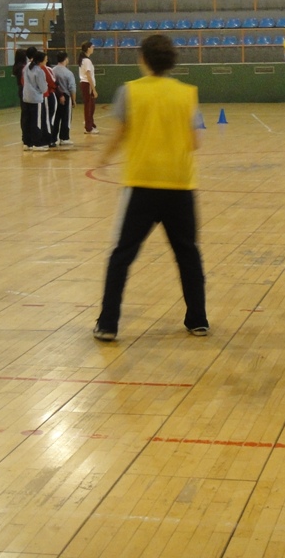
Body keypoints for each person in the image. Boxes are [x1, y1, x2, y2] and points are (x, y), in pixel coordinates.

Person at [93, 34, 209, 342]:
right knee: (187, 254)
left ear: (142, 59)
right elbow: (196, 142)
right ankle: (198, 319)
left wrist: (103, 158)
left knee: (122, 255)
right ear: (172, 61)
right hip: (180, 185)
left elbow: (118, 134)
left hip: (141, 185)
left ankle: (108, 324)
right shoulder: (187, 94)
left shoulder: (129, 92)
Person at [21, 48, 49, 151]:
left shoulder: (27, 67)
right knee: (36, 121)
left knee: (27, 121)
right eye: (45, 60)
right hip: (36, 99)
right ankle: (37, 143)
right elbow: (43, 88)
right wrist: (44, 87)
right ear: (40, 61)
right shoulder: (39, 71)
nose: (46, 62)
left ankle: (27, 143)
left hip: (26, 97)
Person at [51, 51, 77, 147]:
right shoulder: (68, 73)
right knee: (66, 117)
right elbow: (72, 87)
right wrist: (73, 100)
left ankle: (53, 138)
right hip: (65, 96)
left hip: (55, 96)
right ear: (66, 59)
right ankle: (64, 138)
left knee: (56, 118)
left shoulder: (52, 70)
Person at [78, 41, 98, 134]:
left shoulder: (84, 60)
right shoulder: (87, 61)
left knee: (91, 106)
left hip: (85, 84)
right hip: (87, 84)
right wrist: (93, 89)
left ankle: (91, 124)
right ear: (88, 48)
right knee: (89, 106)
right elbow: (88, 75)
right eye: (92, 47)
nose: (93, 48)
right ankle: (88, 127)